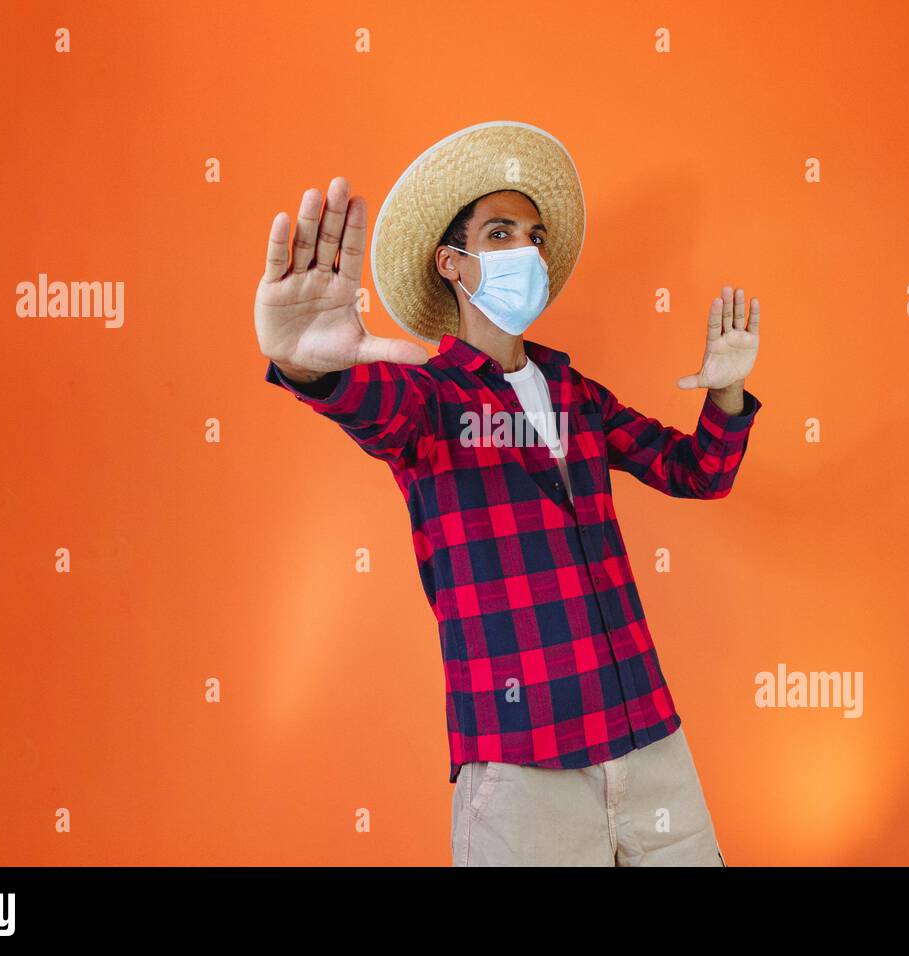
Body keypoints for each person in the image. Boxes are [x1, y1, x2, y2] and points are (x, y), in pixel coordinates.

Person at [254, 121, 764, 866]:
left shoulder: (575, 392)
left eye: (535, 234)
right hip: (524, 766)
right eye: (501, 233)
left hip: (649, 740)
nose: (528, 251)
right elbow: (369, 402)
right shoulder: (430, 402)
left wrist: (726, 393)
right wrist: (309, 369)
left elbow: (700, 473)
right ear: (452, 264)